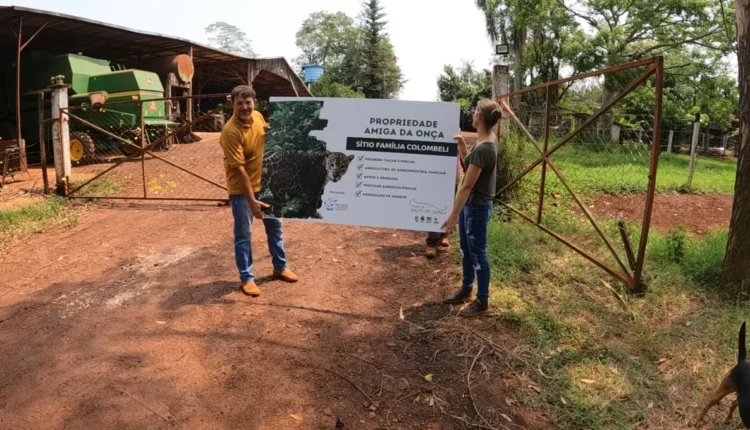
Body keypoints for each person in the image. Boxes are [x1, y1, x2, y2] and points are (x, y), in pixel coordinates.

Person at [219, 85, 298, 297]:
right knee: (244, 234)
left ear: (255, 102)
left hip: (267, 183)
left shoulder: (258, 116)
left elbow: (264, 132)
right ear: (232, 104)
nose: (244, 107)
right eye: (239, 104)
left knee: (275, 227)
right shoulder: (230, 132)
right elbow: (239, 170)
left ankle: (280, 267)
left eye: (248, 103)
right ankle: (247, 278)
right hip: (242, 189)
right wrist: (252, 201)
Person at [441, 99, 501, 317]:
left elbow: (466, 185)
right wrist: (461, 145)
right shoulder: (487, 141)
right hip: (476, 206)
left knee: (478, 254)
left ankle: (482, 299)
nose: (473, 114)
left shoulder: (484, 148)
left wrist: (452, 216)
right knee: (467, 251)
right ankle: (466, 289)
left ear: (481, 118)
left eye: (476, 111)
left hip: (475, 209)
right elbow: (472, 167)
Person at [425, 155, 463, 258]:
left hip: (451, 175)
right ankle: (432, 242)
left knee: (447, 207)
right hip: (433, 173)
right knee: (433, 207)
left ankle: (442, 235)